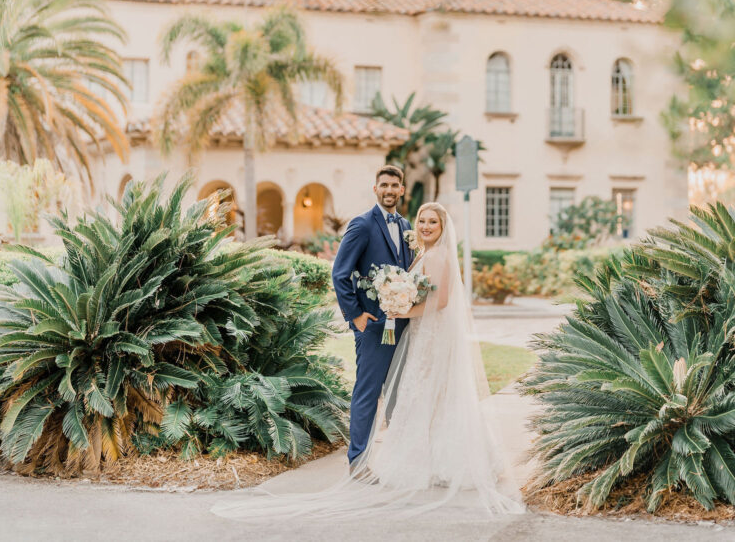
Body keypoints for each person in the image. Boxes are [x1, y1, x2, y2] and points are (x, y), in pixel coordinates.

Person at [210, 201, 524, 520]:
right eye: (423, 220)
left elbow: (440, 301)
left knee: (433, 395)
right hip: (417, 333)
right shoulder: (423, 253)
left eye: (433, 222)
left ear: (443, 227)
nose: (427, 226)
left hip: (431, 335)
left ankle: (451, 461)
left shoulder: (439, 255)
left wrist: (403, 309)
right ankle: (422, 459)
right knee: (424, 395)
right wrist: (388, 302)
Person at [331, 164, 413, 466]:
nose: (389, 190)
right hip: (374, 326)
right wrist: (356, 316)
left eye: (395, 185)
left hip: (404, 326)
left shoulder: (407, 228)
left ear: (402, 190)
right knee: (367, 393)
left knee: (399, 394)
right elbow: (340, 273)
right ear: (375, 188)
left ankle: (399, 461)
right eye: (384, 185)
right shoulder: (362, 224)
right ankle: (358, 461)